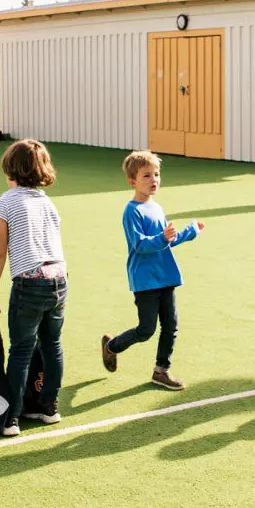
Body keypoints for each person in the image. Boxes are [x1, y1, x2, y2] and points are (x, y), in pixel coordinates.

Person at [101, 151, 203, 391]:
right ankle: (112, 346)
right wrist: (162, 237)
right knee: (146, 330)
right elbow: (140, 245)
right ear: (133, 181)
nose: (153, 179)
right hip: (145, 280)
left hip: (166, 276)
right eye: (146, 176)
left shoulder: (156, 207)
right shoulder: (132, 211)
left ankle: (161, 371)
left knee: (171, 326)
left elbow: (167, 241)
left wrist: (190, 232)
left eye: (156, 174)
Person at [0, 140, 67, 437]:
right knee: (52, 345)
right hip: (58, 279)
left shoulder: (7, 201)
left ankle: (12, 417)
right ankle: (49, 407)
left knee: (21, 349)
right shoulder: (47, 202)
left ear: (10, 168)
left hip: (29, 281)